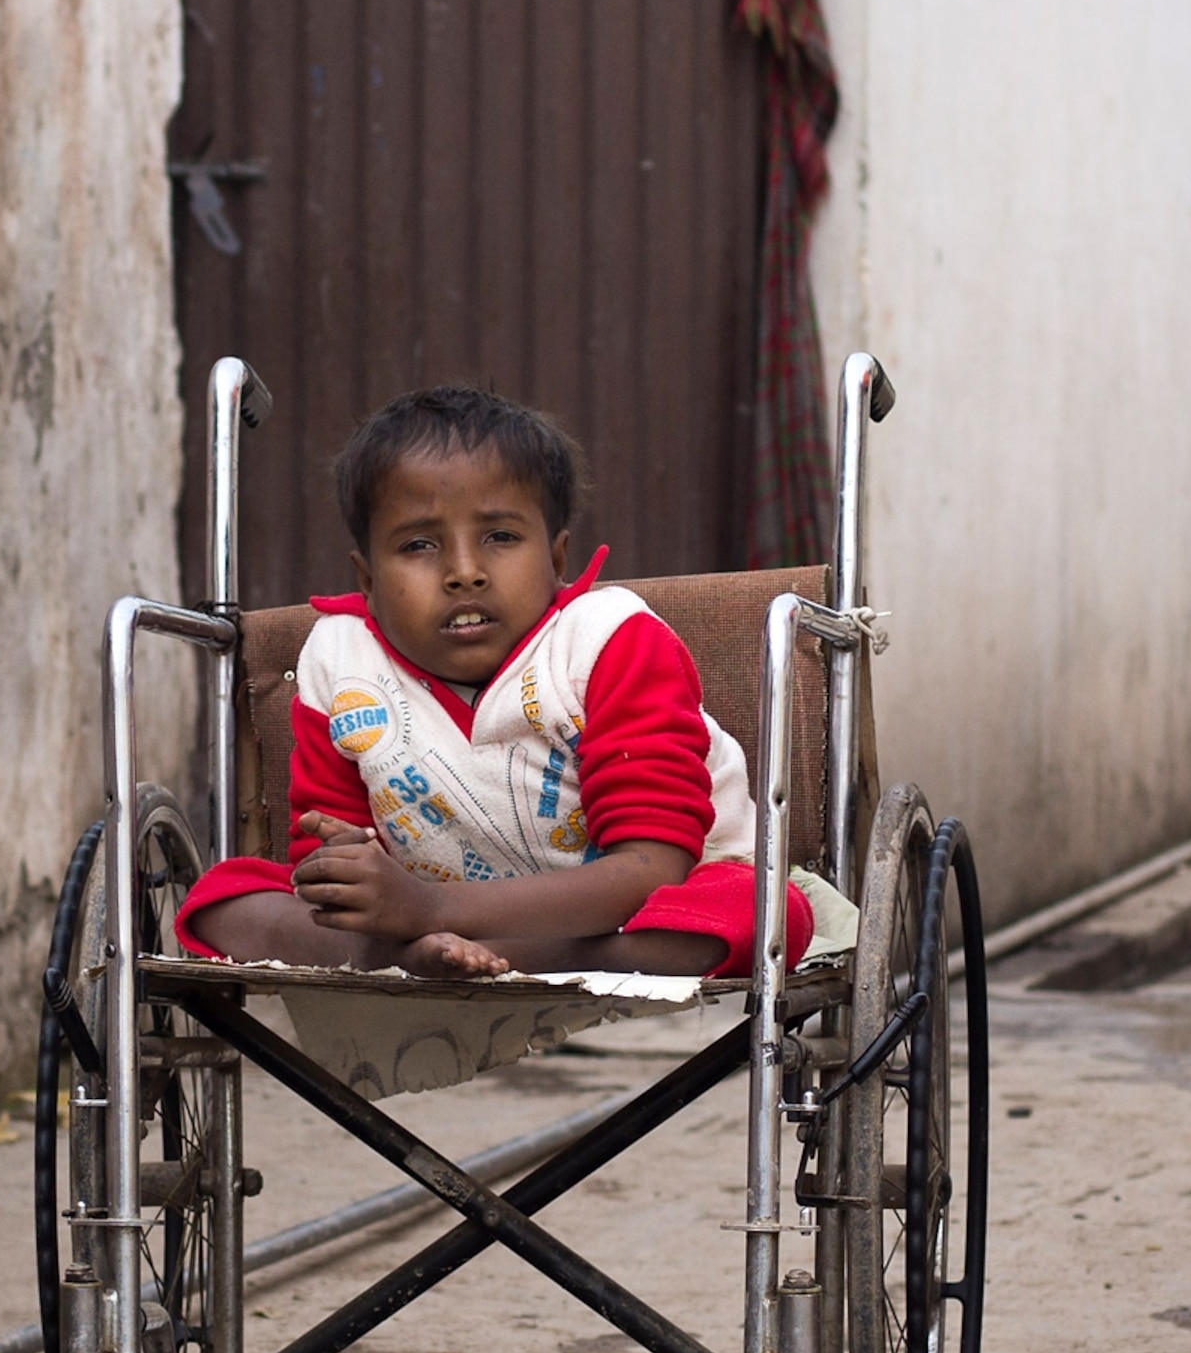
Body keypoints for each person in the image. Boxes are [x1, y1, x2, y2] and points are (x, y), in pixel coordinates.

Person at [177, 385, 811, 980]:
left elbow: (652, 870)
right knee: (218, 903)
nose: (464, 572)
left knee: (761, 911)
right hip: (417, 918)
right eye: (420, 545)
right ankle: (409, 952)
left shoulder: (608, 640)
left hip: (631, 909)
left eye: (501, 537)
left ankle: (489, 954)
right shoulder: (340, 662)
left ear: (557, 559)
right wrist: (344, 872)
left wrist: (432, 909)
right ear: (367, 579)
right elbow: (324, 851)